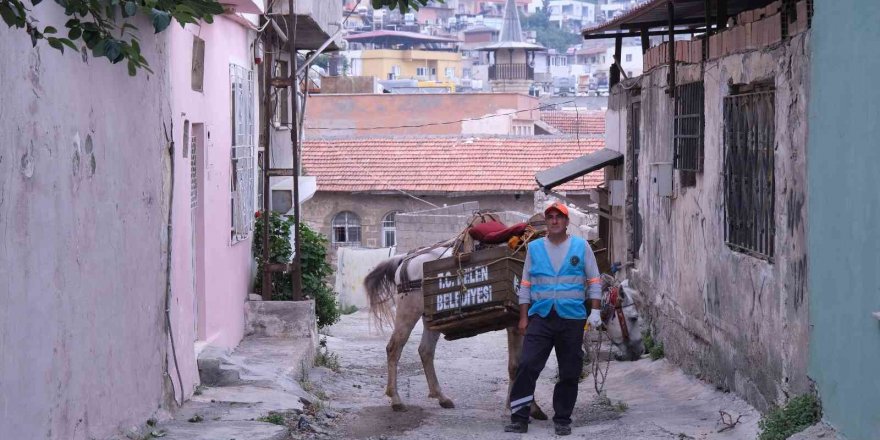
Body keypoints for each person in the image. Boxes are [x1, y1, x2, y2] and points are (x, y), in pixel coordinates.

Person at [504, 202, 603, 436]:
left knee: (569, 370)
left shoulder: (581, 247)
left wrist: (596, 311)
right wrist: (523, 317)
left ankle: (562, 419)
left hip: (572, 318)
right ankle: (519, 418)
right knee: (527, 365)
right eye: (550, 217)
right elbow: (526, 284)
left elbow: (594, 280)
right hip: (541, 316)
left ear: (567, 222)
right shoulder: (535, 248)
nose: (555, 220)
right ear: (546, 222)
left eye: (559, 217)